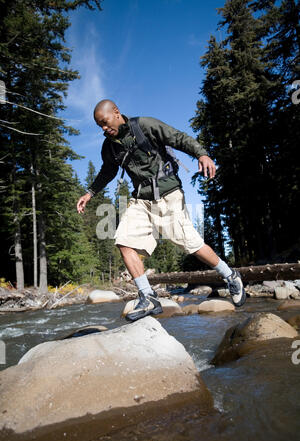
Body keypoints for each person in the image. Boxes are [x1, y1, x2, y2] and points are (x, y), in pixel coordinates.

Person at [77, 99, 246, 321]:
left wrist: (202, 154)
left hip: (168, 195)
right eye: (99, 125)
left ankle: (230, 275)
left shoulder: (144, 125)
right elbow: (107, 171)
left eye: (105, 122)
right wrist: (90, 193)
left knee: (192, 244)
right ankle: (148, 297)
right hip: (141, 200)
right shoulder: (109, 146)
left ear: (116, 113)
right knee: (123, 241)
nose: (103, 128)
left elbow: (178, 138)